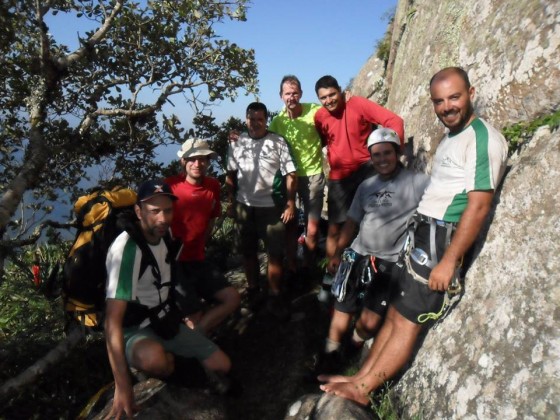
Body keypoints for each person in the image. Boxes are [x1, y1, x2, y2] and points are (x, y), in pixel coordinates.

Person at [319, 67, 509, 405]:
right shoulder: (453, 137)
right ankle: (360, 378)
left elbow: (478, 206)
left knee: (408, 322)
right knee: (395, 313)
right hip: (421, 238)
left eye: (454, 97)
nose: (447, 106)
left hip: (441, 242)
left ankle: (363, 391)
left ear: (471, 93)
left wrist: (449, 261)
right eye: (439, 101)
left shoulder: (484, 139)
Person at [105, 180, 231, 418]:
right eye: (154, 211)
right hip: (134, 329)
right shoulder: (127, 250)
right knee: (155, 360)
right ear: (139, 212)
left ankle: (177, 361)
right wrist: (123, 387)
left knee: (223, 365)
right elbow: (112, 322)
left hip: (164, 319)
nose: (163, 218)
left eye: (168, 210)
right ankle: (169, 366)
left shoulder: (166, 235)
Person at [314, 127, 430, 374]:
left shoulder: (417, 182)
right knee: (342, 308)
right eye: (376, 155)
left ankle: (353, 345)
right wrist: (337, 253)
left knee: (368, 323)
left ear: (397, 152)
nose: (381, 159)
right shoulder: (366, 186)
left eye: (387, 153)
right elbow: (353, 222)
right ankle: (329, 358)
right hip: (357, 254)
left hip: (388, 261)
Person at [313, 75, 405, 278]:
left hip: (366, 168)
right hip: (339, 175)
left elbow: (394, 121)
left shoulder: (358, 104)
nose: (329, 100)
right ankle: (333, 272)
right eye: (323, 98)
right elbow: (322, 140)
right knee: (335, 226)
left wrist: (394, 152)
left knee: (377, 219)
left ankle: (379, 270)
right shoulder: (319, 116)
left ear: (341, 90)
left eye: (332, 94)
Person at [225, 102, 297, 318]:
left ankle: (275, 294)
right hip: (244, 206)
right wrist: (231, 201)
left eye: (259, 119)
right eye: (251, 118)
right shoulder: (237, 142)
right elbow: (230, 173)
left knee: (274, 254)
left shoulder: (277, 142)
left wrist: (291, 202)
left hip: (271, 207)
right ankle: (253, 290)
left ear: (266, 119)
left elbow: (290, 174)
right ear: (245, 118)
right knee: (248, 253)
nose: (255, 123)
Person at [166, 139, 240, 335]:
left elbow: (211, 218)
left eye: (203, 159)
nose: (198, 164)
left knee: (232, 298)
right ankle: (197, 347)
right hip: (173, 263)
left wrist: (202, 244)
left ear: (208, 162)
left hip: (198, 259)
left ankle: (196, 340)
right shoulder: (169, 187)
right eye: (192, 159)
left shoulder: (213, 186)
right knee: (193, 315)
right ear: (183, 161)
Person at [268, 75, 325, 287]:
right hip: (287, 177)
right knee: (290, 225)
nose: (291, 97)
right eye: (287, 93)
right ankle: (292, 266)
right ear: (281, 96)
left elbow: (334, 119)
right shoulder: (278, 121)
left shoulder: (315, 111)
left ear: (300, 94)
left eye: (294, 93)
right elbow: (265, 142)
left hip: (313, 175)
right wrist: (241, 138)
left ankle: (307, 267)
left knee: (311, 229)